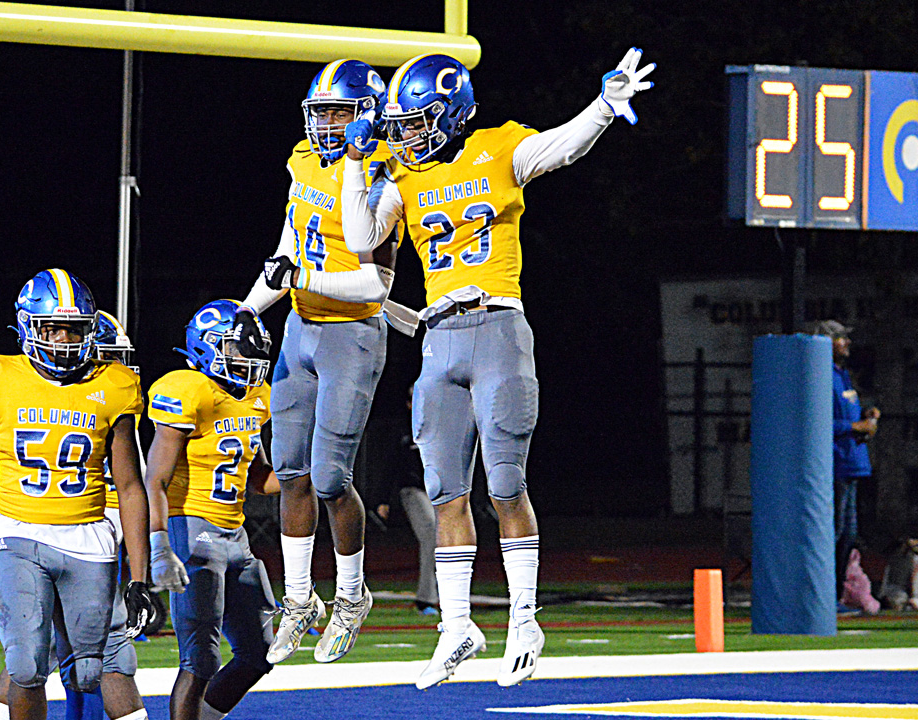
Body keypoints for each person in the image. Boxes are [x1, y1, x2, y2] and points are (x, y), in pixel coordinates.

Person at [340, 49, 655, 688]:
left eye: (416, 121)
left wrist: (603, 106)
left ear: (451, 115)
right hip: (437, 339)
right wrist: (352, 162)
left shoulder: (497, 147)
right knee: (445, 493)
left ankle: (523, 619)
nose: (406, 135)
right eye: (400, 124)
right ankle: (456, 626)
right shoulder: (402, 176)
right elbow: (359, 240)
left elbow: (560, 147)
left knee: (506, 485)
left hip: (498, 328)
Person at [231, 58, 403, 665]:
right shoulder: (303, 161)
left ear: (368, 115)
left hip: (351, 334)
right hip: (300, 329)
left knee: (331, 478)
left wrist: (301, 278)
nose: (327, 124)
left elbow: (375, 286)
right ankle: (301, 600)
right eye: (321, 112)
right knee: (290, 473)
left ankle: (352, 596)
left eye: (339, 112)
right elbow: (289, 245)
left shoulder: (385, 175)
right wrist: (249, 308)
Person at [0, 269, 156, 720]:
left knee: (97, 668)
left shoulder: (116, 384)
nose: (63, 339)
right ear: (29, 326)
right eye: (52, 328)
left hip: (89, 536)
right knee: (26, 664)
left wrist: (140, 577)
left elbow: (129, 486)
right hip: (18, 532)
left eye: (74, 329)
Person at [145, 300, 280, 720]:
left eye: (253, 348)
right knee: (200, 658)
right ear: (206, 346)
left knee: (261, 652)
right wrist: (159, 544)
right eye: (237, 348)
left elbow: (261, 479)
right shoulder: (188, 390)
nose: (248, 357)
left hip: (234, 534)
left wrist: (309, 471)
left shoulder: (255, 398)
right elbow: (155, 479)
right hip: (191, 528)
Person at [811, 319, 880, 612]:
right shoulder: (821, 376)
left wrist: (866, 417)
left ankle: (837, 595)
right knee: (834, 532)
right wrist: (855, 426)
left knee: (848, 535)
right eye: (840, 338)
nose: (847, 343)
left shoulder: (842, 375)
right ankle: (825, 596)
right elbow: (818, 421)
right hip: (836, 464)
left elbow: (846, 414)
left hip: (852, 463)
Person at [369, 385, 437, 615]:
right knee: (431, 534)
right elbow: (390, 466)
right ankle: (426, 599)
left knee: (450, 540)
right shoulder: (403, 431)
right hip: (414, 490)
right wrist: (382, 499)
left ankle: (450, 596)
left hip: (441, 493)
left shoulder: (440, 427)